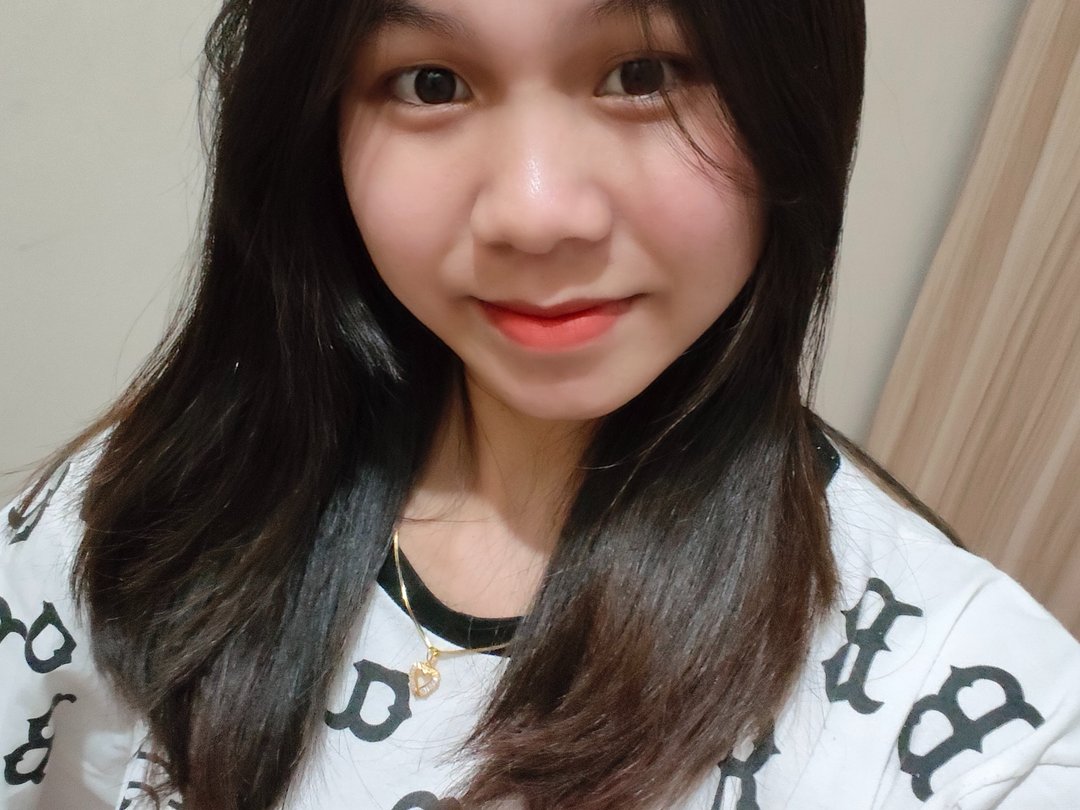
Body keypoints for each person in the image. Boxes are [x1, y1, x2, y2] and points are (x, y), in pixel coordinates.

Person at [2, 0, 1078, 808]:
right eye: (430, 83)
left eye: (642, 72)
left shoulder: (975, 721)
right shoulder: (150, 508)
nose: (533, 212)